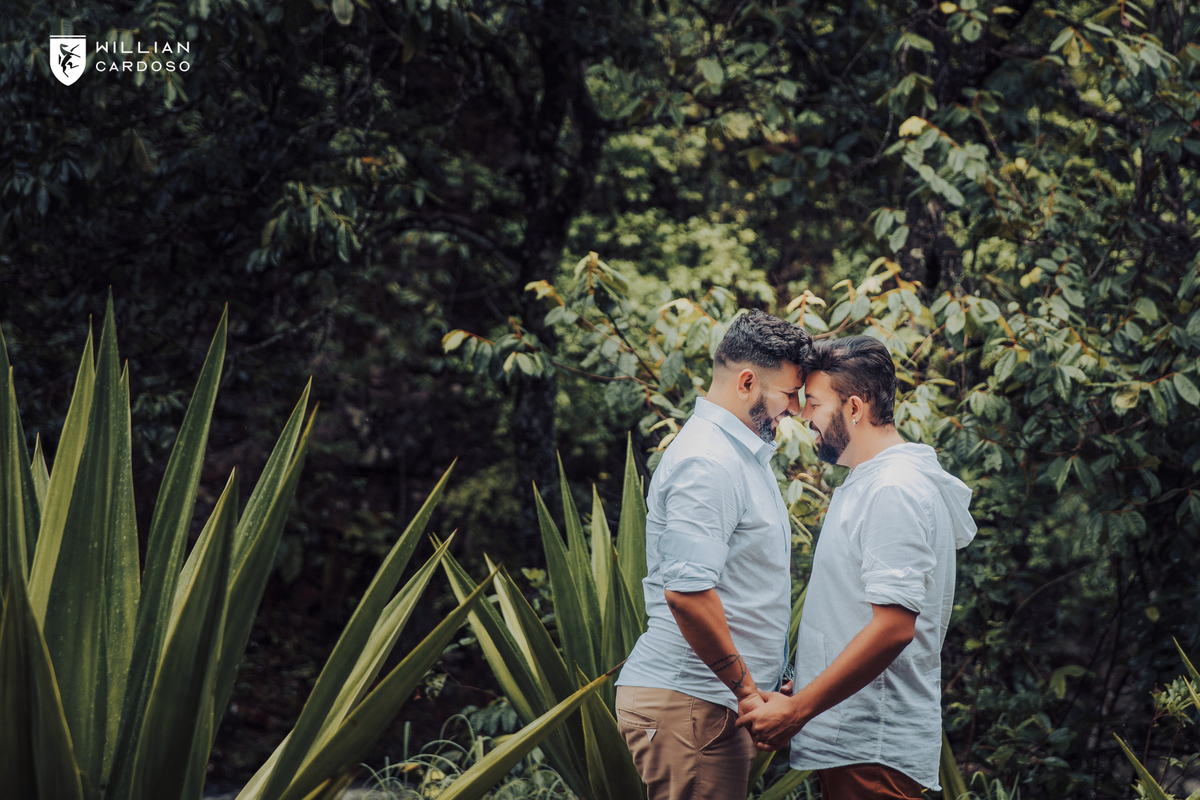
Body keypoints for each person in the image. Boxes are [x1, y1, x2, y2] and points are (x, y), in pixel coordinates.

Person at [737, 335, 977, 800]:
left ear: (854, 407)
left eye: (814, 403)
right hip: (855, 743)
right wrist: (800, 683)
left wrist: (798, 709)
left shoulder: (894, 488)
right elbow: (851, 614)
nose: (803, 416)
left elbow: (893, 629)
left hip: (874, 747)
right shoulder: (871, 481)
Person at [615, 309, 812, 800]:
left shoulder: (737, 456)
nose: (795, 409)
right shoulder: (708, 460)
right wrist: (747, 692)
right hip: (690, 702)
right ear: (748, 381)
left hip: (706, 704)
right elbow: (686, 593)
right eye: (790, 394)